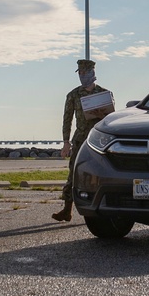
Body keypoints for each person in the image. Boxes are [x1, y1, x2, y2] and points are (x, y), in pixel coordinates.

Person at [54, 59, 111, 222]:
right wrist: (66, 142)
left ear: (93, 73)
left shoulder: (103, 94)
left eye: (84, 73)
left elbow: (110, 119)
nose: (82, 76)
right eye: (79, 73)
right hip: (80, 140)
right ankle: (67, 209)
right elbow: (67, 119)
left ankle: (100, 209)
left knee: (100, 175)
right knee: (73, 173)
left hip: (98, 141)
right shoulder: (73, 95)